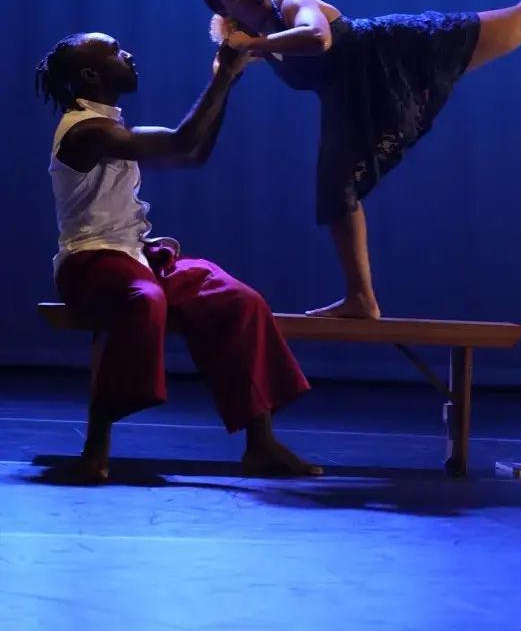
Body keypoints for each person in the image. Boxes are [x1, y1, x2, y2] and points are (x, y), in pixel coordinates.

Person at [202, 0, 521, 320]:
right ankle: (362, 299)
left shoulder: (292, 4)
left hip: (395, 53)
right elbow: (223, 79)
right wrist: (229, 65)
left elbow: (317, 39)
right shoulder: (254, 42)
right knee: (334, 191)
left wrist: (253, 46)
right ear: (226, 13)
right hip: (351, 101)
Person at [35, 31, 323, 482]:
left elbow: (192, 153)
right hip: (89, 263)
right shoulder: (85, 130)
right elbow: (182, 139)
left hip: (134, 257)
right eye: (115, 51)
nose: (128, 54)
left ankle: (261, 444)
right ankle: (95, 448)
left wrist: (227, 83)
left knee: (238, 299)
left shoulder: (113, 128)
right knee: (143, 298)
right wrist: (221, 78)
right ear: (90, 74)